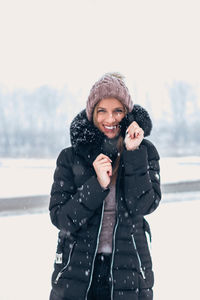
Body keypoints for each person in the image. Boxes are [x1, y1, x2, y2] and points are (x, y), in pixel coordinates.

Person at [49, 73, 161, 300]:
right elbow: (61, 218)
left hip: (130, 270)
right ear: (92, 114)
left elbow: (144, 205)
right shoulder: (71, 158)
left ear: (127, 114)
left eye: (117, 111)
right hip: (76, 272)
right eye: (102, 111)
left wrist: (133, 154)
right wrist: (97, 184)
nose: (110, 119)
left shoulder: (144, 151)